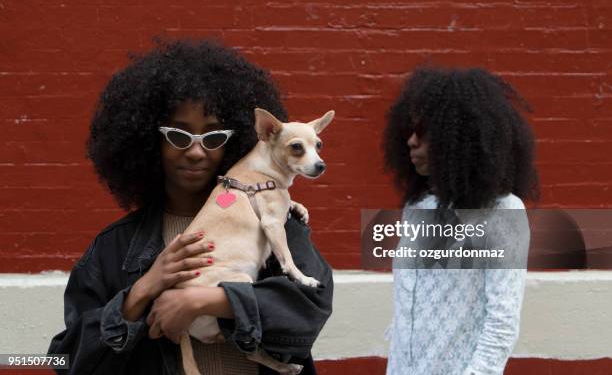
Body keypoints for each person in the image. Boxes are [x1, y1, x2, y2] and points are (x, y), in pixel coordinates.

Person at [47, 38, 334, 375]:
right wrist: (139, 294)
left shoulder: (272, 218)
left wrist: (203, 300)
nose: (196, 152)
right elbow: (64, 361)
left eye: (213, 138)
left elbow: (311, 308)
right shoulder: (114, 249)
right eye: (179, 136)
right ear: (149, 141)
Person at [382, 66, 540, 375]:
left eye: (425, 133)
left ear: (458, 140)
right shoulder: (419, 206)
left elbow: (502, 323)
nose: (412, 142)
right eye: (410, 131)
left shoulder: (502, 212)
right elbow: (408, 311)